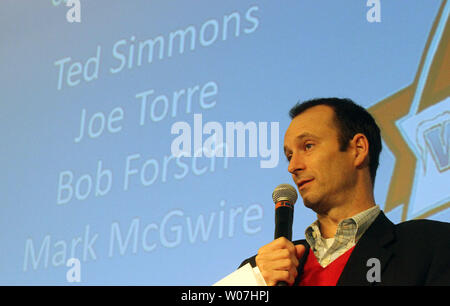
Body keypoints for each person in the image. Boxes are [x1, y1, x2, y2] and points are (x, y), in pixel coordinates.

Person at [239, 98, 450, 286]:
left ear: (358, 149)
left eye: (308, 146)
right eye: (289, 155)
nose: (292, 166)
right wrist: (253, 283)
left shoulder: (431, 246)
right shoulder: (263, 269)